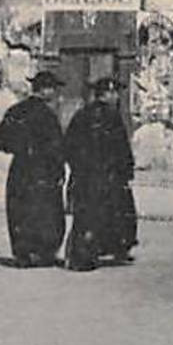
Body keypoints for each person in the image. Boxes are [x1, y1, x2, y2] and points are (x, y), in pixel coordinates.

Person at [0, 70, 67, 267]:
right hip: (43, 170)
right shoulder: (47, 115)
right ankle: (42, 253)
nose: (55, 93)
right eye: (53, 89)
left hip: (21, 168)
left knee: (21, 209)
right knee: (46, 210)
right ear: (46, 90)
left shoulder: (16, 111)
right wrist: (59, 171)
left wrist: (21, 149)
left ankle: (23, 253)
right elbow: (57, 147)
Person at [64, 75, 139, 271]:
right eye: (113, 93)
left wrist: (77, 169)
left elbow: (69, 146)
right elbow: (122, 148)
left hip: (86, 175)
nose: (115, 97)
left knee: (88, 214)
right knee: (110, 212)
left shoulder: (81, 114)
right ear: (105, 94)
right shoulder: (112, 117)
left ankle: (83, 253)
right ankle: (92, 253)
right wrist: (126, 171)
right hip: (108, 176)